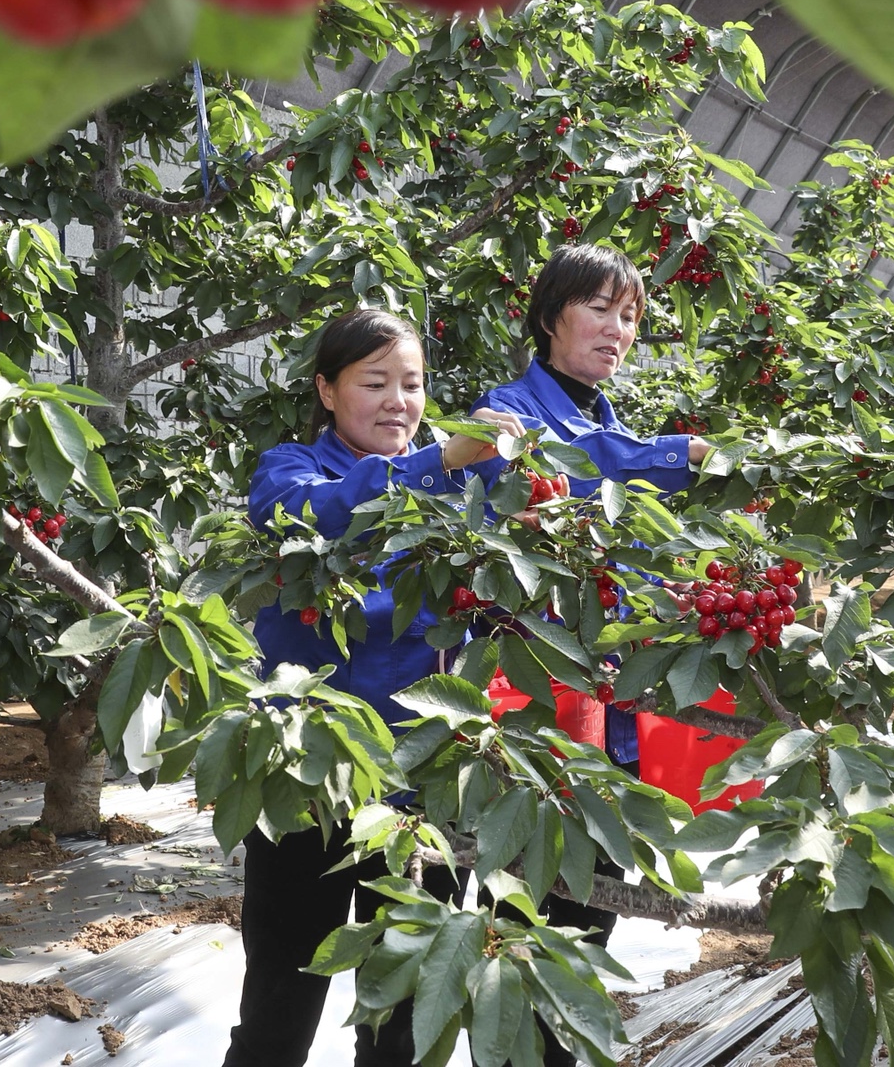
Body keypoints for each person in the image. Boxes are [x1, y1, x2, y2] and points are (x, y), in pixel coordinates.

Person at [223, 306, 521, 1067]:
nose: (399, 401)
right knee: (277, 1017)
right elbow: (312, 517)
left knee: (403, 1025)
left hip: (422, 793)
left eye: (414, 384)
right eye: (376, 381)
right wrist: (436, 463)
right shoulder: (290, 471)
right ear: (326, 389)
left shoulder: (459, 491)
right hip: (307, 790)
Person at [471, 244, 721, 1066]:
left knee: (589, 917)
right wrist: (675, 455)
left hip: (608, 719)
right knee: (530, 921)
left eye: (631, 317)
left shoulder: (613, 424)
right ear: (550, 317)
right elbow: (571, 470)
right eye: (602, 310)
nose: (618, 331)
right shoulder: (507, 416)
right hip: (536, 716)